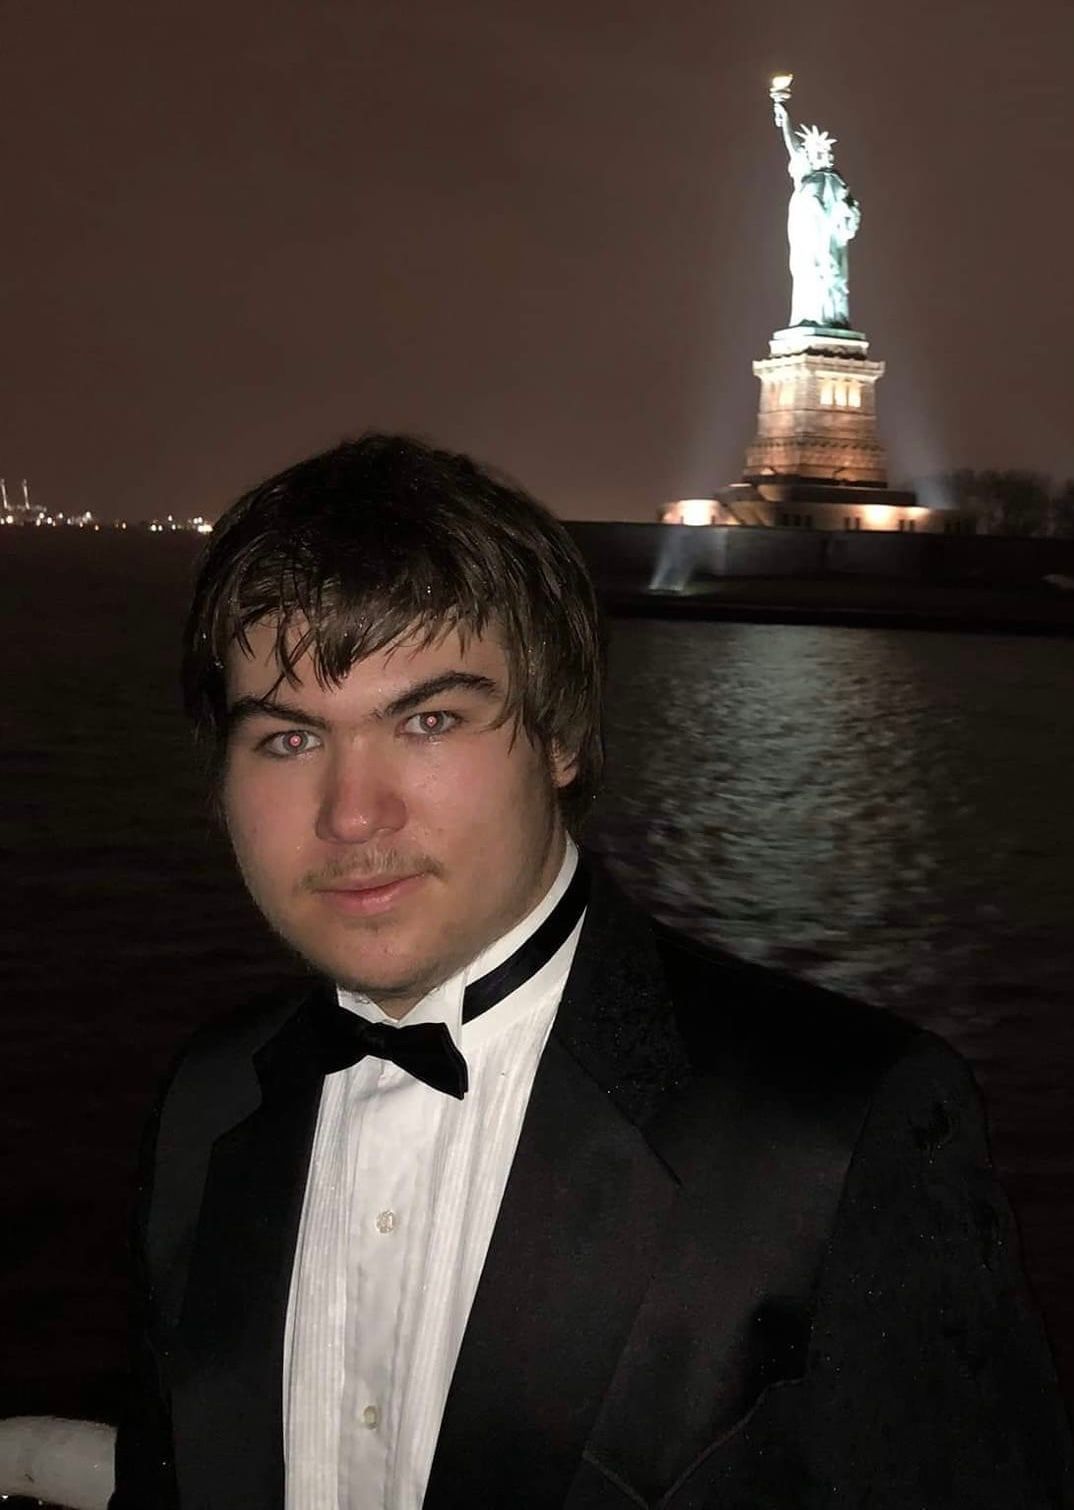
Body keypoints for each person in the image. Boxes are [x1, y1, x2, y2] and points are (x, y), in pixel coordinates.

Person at [111, 433, 1072, 1509]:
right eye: (289, 740)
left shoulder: (840, 1133)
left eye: (429, 720)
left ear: (562, 732)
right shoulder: (207, 1098)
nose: (351, 813)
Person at [773, 100, 861, 329]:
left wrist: (847, 211)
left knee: (833, 278)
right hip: (809, 238)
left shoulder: (836, 180)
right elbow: (794, 148)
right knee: (809, 275)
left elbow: (850, 216)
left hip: (831, 242)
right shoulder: (807, 175)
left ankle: (833, 319)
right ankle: (812, 317)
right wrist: (785, 120)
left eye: (827, 151)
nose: (826, 155)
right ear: (811, 155)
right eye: (820, 152)